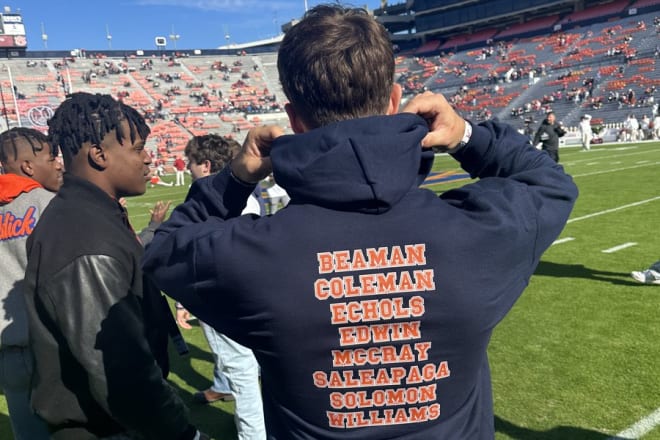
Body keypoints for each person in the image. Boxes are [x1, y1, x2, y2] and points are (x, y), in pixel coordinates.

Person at [143, 5, 577, 439]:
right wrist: (467, 135)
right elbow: (548, 182)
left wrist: (235, 178)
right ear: (393, 100)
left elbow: (164, 249)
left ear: (293, 120)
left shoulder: (249, 253)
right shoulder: (477, 230)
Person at [22, 92, 206, 440]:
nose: (148, 159)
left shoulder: (93, 213)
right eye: (137, 148)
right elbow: (122, 372)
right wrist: (185, 434)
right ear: (99, 155)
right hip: (107, 428)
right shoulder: (84, 236)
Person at [180, 133, 266, 440]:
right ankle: (225, 391)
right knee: (246, 367)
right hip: (246, 293)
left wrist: (185, 299)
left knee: (242, 371)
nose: (188, 169)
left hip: (226, 296)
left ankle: (253, 435)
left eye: (191, 163)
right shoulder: (243, 194)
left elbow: (210, 256)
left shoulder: (218, 200)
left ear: (204, 165)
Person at [0, 127, 62, 440]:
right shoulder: (51, 204)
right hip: (56, 345)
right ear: (27, 166)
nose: (59, 164)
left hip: (9, 350)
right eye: (52, 157)